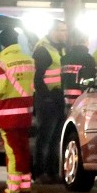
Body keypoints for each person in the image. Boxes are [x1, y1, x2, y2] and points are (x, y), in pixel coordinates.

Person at [0, 28, 36, 193]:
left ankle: (12, 192)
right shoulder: (28, 59)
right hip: (25, 113)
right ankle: (24, 190)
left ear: (2, 43)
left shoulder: (1, 63)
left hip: (8, 114)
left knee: (13, 154)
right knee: (22, 151)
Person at [32, 19, 68, 182]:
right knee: (45, 138)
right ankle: (39, 173)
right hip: (47, 101)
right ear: (52, 31)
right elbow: (37, 77)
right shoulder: (43, 49)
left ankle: (52, 172)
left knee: (56, 139)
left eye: (65, 30)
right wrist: (46, 97)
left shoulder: (60, 49)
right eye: (61, 30)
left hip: (57, 99)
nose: (64, 34)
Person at [61, 30, 97, 112]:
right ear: (85, 40)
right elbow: (90, 80)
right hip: (81, 100)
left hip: (65, 100)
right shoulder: (88, 58)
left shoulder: (64, 58)